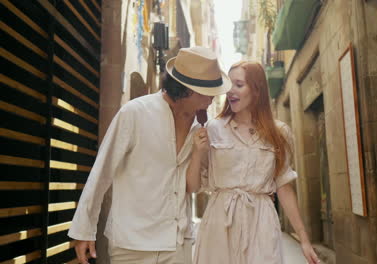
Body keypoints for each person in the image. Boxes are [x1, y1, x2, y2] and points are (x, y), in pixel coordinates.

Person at [68, 47, 230, 264]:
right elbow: (102, 172)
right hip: (132, 245)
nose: (211, 100)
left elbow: (192, 184)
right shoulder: (135, 113)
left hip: (178, 243)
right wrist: (84, 230)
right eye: (207, 94)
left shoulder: (200, 126)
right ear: (187, 91)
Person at [187, 61, 321, 264]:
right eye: (229, 85)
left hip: (261, 223)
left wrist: (304, 240)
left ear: (257, 90)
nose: (231, 91)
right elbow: (194, 186)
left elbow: (284, 187)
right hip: (220, 223)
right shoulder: (213, 128)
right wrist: (197, 152)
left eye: (239, 85)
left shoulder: (279, 133)